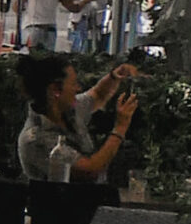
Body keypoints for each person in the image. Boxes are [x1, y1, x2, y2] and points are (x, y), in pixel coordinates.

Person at [16, 53, 139, 181]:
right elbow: (90, 170)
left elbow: (97, 95)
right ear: (56, 90)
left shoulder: (69, 110)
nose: (78, 88)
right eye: (73, 83)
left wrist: (114, 76)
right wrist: (120, 127)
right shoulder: (36, 139)